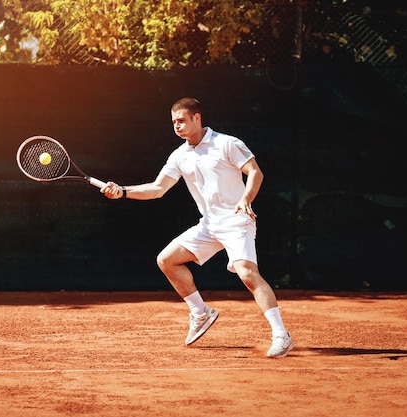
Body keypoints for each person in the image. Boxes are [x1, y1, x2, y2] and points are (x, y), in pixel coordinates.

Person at [101, 97, 294, 358]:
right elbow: (158, 189)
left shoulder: (227, 143)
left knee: (246, 273)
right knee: (167, 260)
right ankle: (201, 312)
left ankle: (281, 335)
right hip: (209, 224)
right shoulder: (179, 156)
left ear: (197, 118)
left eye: (181, 120)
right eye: (173, 123)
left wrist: (245, 199)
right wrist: (123, 191)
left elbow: (255, 172)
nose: (176, 127)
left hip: (236, 219)